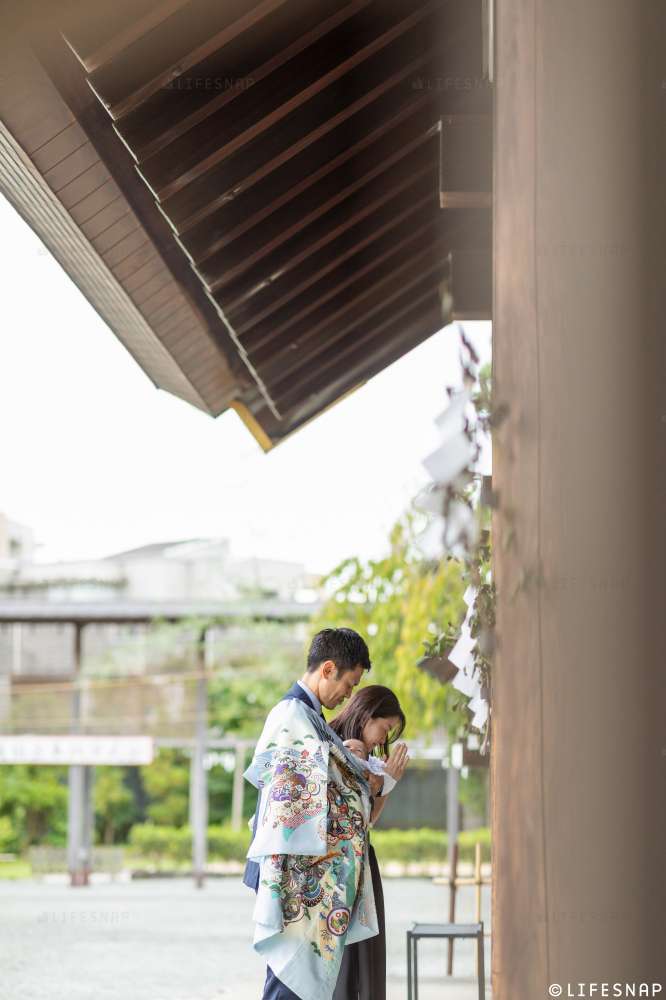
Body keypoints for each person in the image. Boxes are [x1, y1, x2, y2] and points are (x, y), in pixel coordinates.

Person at [243, 627, 379, 1000]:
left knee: (296, 974)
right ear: (328, 668)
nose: (348, 696)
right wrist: (351, 768)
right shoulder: (292, 716)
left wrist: (342, 757)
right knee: (290, 974)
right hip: (295, 870)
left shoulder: (306, 716)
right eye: (349, 684)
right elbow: (306, 792)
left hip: (303, 868)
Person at [329, 686, 409, 1000]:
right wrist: (382, 782)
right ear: (367, 713)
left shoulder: (365, 754)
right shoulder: (343, 744)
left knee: (358, 957)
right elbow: (354, 816)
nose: (382, 739)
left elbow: (368, 819)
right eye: (385, 728)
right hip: (342, 864)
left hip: (357, 859)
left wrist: (386, 783)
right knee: (351, 958)